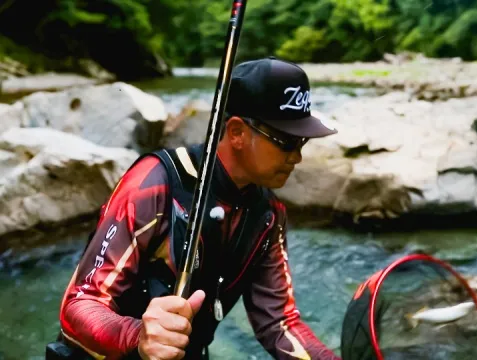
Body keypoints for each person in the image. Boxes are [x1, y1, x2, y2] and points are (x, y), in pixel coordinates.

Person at [56, 56, 341, 360]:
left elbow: (280, 325)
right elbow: (78, 305)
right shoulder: (154, 183)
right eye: (286, 142)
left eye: (302, 143)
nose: (296, 157)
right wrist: (137, 335)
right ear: (236, 133)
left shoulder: (269, 216)